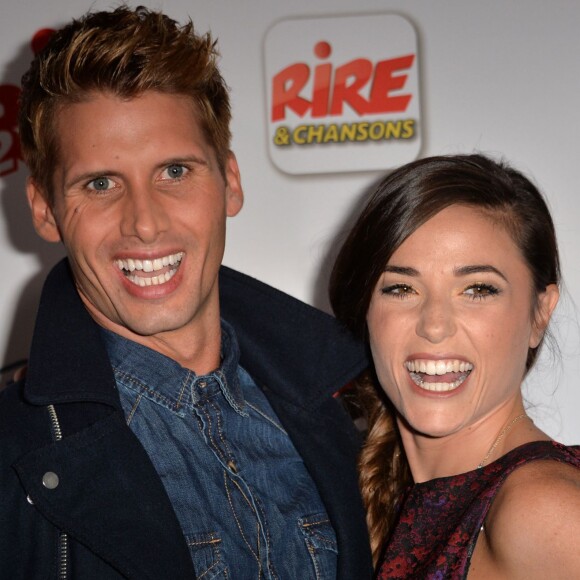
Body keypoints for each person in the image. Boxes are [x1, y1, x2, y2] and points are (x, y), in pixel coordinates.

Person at [0, 6, 373, 579]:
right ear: (46, 211)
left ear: (230, 182)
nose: (145, 224)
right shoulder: (13, 456)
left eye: (174, 172)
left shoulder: (359, 411)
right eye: (100, 184)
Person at [329, 153, 580, 578]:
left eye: (478, 289)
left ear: (539, 313)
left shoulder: (544, 509)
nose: (435, 325)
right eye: (402, 288)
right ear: (365, 311)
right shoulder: (371, 501)